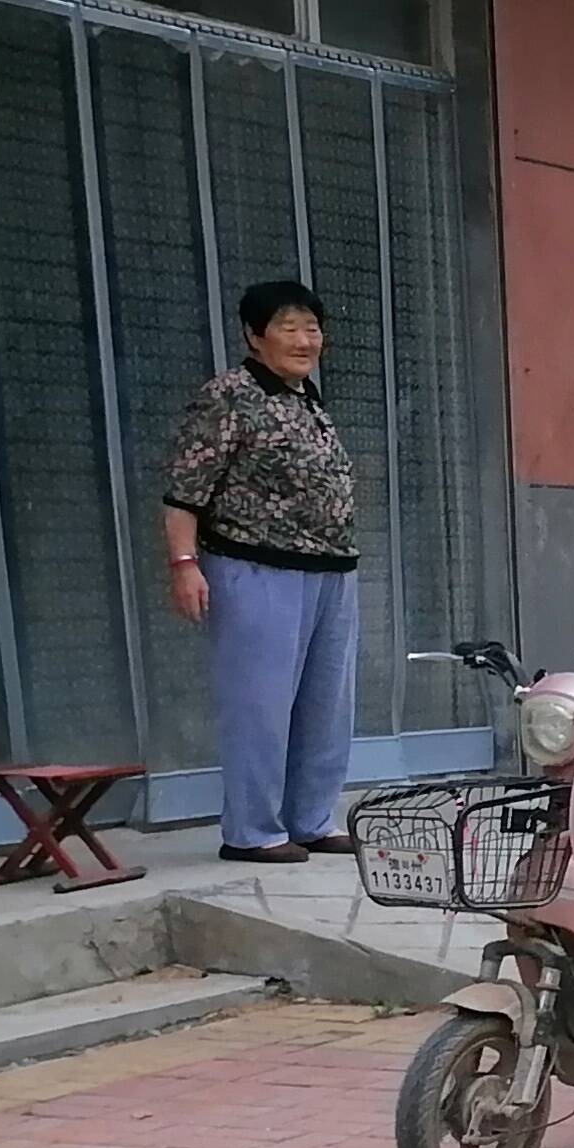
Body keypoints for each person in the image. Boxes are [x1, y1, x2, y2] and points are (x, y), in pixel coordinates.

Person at [161, 281, 362, 864]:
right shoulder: (229, 396)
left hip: (330, 571)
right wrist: (183, 564)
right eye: (289, 327)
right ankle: (252, 831)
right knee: (260, 704)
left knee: (326, 705)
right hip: (256, 568)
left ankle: (311, 819)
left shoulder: (306, 398)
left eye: (313, 328)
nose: (305, 340)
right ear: (254, 335)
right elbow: (184, 492)